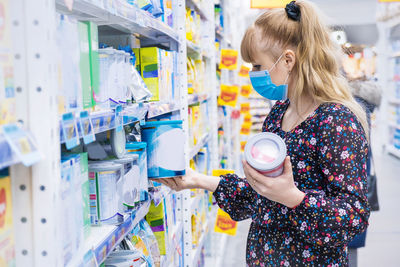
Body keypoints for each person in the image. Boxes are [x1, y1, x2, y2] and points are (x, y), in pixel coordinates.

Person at [157, 1, 370, 266]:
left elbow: (353, 218)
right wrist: (198, 180)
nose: (252, 74)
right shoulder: (279, 114)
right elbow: (263, 195)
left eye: (257, 66)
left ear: (288, 60)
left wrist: (293, 197)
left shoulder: (336, 122)